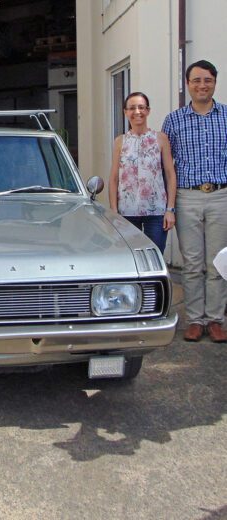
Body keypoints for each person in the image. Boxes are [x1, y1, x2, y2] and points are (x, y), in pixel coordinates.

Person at [162, 60, 227, 343]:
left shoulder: (226, 116)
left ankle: (215, 319)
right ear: (188, 84)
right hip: (187, 197)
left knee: (218, 264)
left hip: (221, 195)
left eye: (208, 80)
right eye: (197, 80)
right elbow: (166, 167)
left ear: (215, 82)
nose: (203, 85)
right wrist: (170, 205)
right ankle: (194, 320)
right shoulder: (173, 120)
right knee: (192, 263)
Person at [109, 92, 177, 253]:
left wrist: (170, 209)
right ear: (125, 112)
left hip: (157, 211)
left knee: (154, 256)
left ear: (148, 111)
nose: (137, 112)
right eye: (132, 108)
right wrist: (113, 210)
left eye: (141, 107)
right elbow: (113, 178)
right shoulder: (120, 141)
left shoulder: (160, 139)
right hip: (127, 212)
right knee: (131, 258)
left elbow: (170, 174)